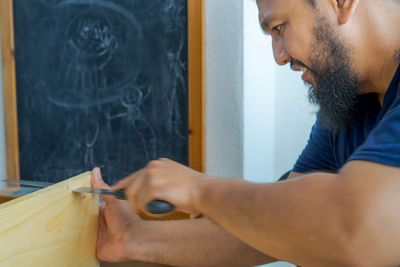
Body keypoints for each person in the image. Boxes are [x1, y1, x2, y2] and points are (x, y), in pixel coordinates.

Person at [91, 0, 400, 266]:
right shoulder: (348, 105)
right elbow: (280, 226)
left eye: (279, 27)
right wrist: (134, 238)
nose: (279, 56)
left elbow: (359, 227)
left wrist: (201, 191)